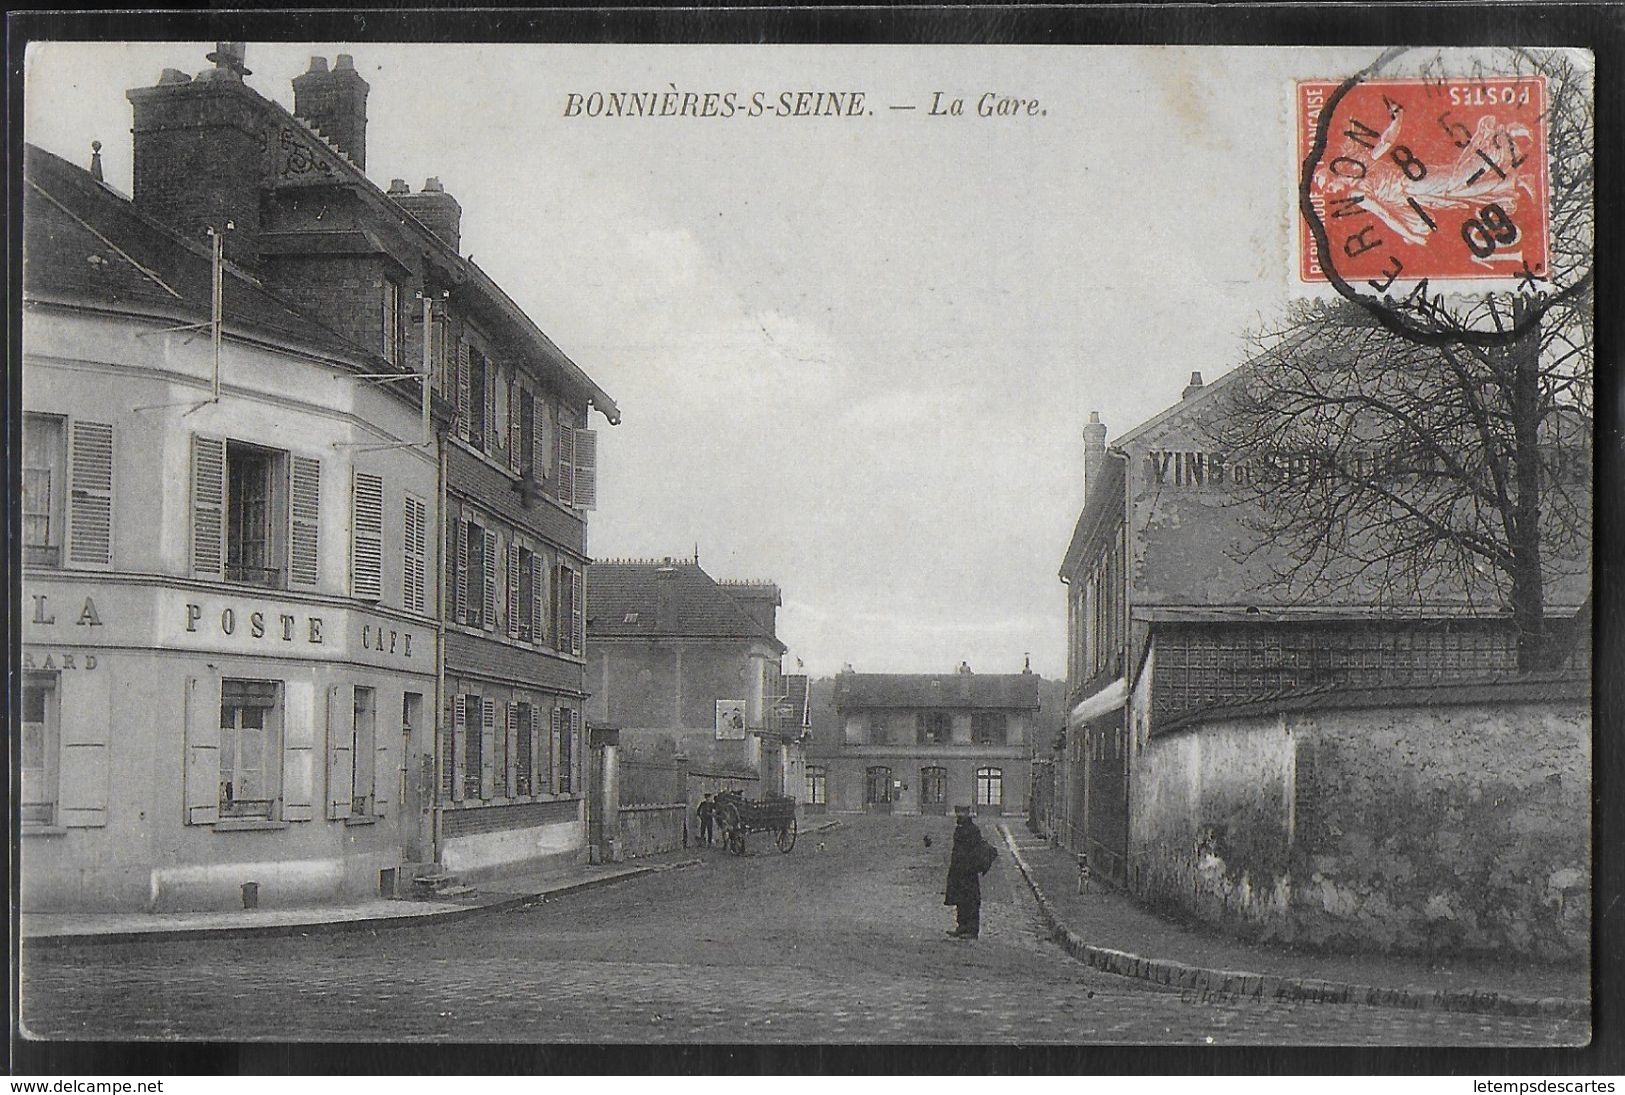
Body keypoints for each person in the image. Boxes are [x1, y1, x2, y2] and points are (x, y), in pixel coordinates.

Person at [943, 808, 996, 938]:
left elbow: (974, 851)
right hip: (958, 871)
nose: (959, 815)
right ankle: (961, 926)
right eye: (958, 812)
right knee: (959, 900)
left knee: (971, 900)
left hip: (968, 872)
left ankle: (972, 930)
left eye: (962, 813)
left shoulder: (973, 830)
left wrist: (969, 866)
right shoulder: (960, 829)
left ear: (967, 814)